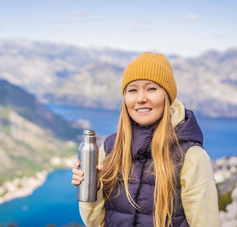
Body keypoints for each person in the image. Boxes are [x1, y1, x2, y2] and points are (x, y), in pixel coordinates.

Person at [71, 52, 220, 227]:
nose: (141, 98)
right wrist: (93, 189)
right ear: (125, 98)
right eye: (132, 90)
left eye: (151, 89)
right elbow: (95, 223)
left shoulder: (191, 157)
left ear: (167, 96)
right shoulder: (111, 147)